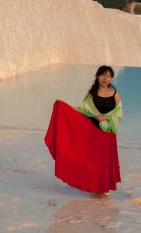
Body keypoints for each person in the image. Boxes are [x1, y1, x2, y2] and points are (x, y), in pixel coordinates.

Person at [44, 65, 122, 195]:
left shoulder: (115, 95)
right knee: (92, 161)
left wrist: (105, 117)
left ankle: (102, 190)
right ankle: (93, 188)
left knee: (103, 163)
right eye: (102, 75)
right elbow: (83, 111)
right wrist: (64, 106)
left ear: (111, 78)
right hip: (92, 131)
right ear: (97, 76)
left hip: (107, 133)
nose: (105, 78)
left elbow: (119, 115)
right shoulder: (92, 94)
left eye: (108, 76)